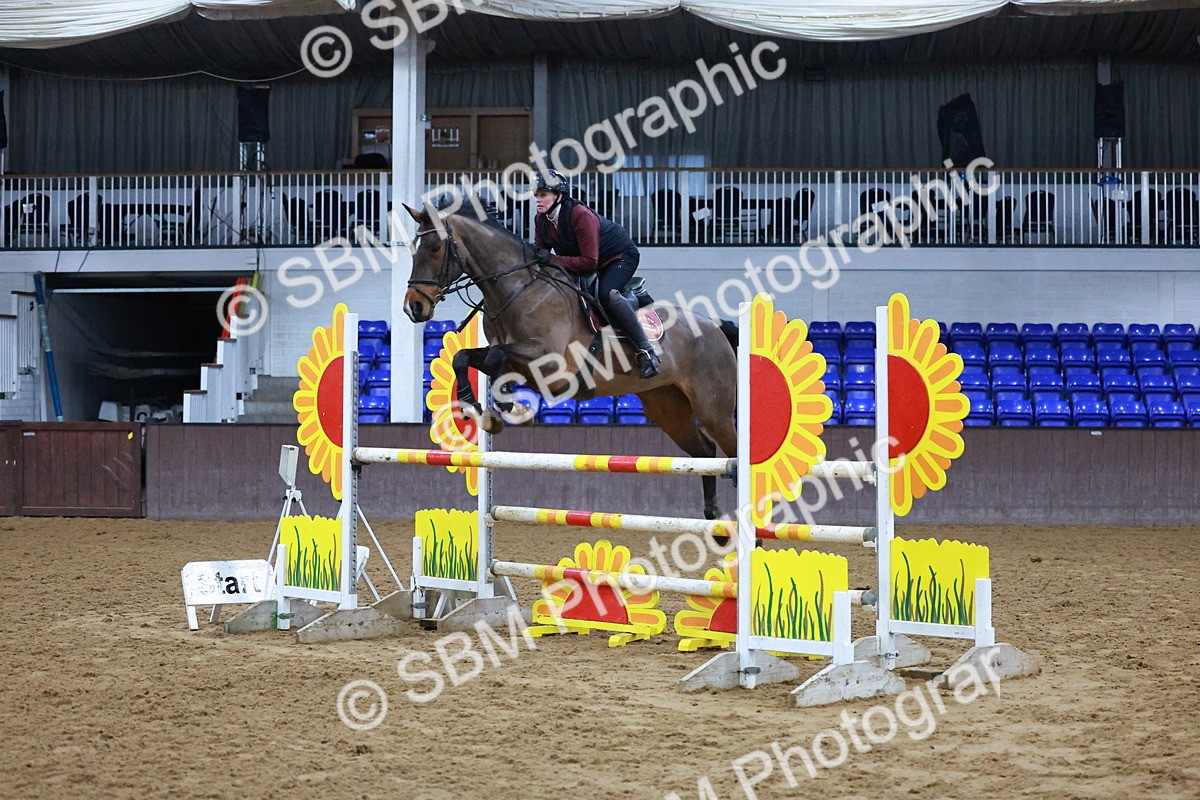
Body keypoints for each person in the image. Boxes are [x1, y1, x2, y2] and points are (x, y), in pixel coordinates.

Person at [532, 169, 660, 379]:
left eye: (543, 195)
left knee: (607, 294)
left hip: (619, 257)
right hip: (588, 261)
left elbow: (590, 262)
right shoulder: (541, 220)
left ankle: (646, 351)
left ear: (559, 196)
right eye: (536, 195)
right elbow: (541, 254)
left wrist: (553, 260)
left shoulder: (579, 215)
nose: (538, 200)